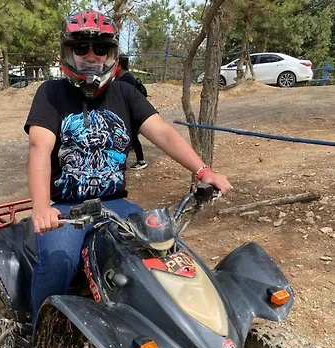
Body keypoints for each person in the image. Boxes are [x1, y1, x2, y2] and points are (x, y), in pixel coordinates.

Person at [24, 9, 231, 324]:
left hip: (114, 203)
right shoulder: (51, 94)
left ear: (111, 54)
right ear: (67, 52)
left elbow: (163, 132)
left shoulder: (125, 92)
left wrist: (203, 171)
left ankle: (169, 325)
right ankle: (39, 331)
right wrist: (41, 207)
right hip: (65, 208)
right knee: (58, 260)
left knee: (165, 249)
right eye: (80, 48)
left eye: (100, 48)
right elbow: (40, 147)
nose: (90, 55)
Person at [115, 54, 148, 170]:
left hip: (130, 113)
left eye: (115, 64)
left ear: (119, 65)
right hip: (122, 113)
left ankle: (141, 160)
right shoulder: (119, 78)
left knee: (132, 136)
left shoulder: (128, 79)